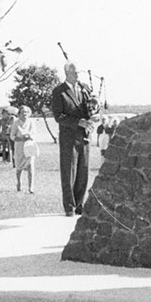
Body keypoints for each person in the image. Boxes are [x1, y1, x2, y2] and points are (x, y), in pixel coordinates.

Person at [50, 61, 97, 216]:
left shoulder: (84, 89)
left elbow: (90, 108)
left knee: (83, 170)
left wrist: (94, 114)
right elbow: (59, 116)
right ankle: (69, 206)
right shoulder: (59, 92)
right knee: (69, 171)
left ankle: (79, 204)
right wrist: (78, 122)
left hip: (85, 136)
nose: (78, 76)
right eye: (76, 73)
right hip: (69, 138)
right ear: (68, 73)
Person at [10, 105, 37, 193]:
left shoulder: (31, 122)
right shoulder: (16, 123)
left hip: (29, 146)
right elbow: (12, 136)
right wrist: (19, 138)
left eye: (26, 112)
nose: (24, 114)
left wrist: (29, 136)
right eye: (22, 112)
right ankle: (19, 183)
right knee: (19, 166)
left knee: (30, 166)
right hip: (19, 146)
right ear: (19, 114)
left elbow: (34, 133)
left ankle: (30, 187)